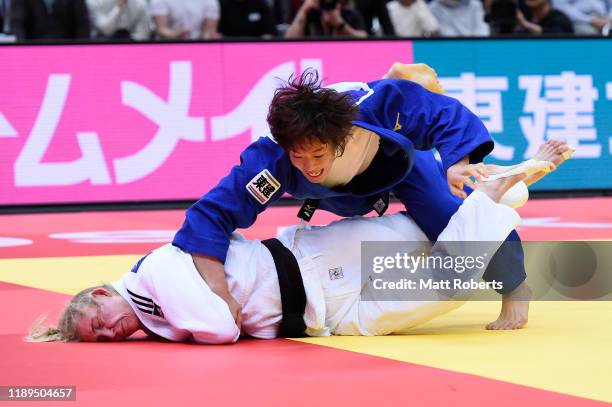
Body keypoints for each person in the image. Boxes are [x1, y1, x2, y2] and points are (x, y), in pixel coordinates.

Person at [171, 63, 574, 332]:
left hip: (398, 166)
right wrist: (218, 290)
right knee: (348, 215)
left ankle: (515, 289)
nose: (308, 163)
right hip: (334, 196)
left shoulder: (377, 105)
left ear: (339, 138)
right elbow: (210, 215)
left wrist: (456, 162)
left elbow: (446, 115)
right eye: (299, 154)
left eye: (318, 153)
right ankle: (502, 184)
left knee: (451, 223)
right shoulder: (270, 157)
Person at [27, 163, 556, 344]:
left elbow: (219, 328)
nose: (112, 334)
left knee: (428, 228)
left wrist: (220, 310)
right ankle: (504, 195)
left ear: (101, 292)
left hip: (318, 263)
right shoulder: (158, 314)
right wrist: (219, 311)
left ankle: (489, 187)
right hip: (326, 318)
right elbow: (218, 323)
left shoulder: (157, 272)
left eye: (100, 324)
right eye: (102, 340)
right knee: (454, 281)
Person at [11, 0, 90, 40]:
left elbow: (83, 26)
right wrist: (21, 48)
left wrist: (80, 50)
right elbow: (16, 24)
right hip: (32, 51)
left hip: (67, 50)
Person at [285, 0, 368, 38]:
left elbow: (364, 38)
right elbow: (289, 38)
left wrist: (341, 25)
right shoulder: (309, 14)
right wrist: (303, 10)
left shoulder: (351, 14)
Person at [150, 0, 220, 40]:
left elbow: (209, 31)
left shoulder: (211, 2)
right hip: (167, 45)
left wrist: (210, 37)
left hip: (199, 47)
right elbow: (161, 28)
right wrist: (174, 35)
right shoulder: (159, 1)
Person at [86, 0, 150, 40]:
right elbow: (106, 31)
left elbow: (142, 35)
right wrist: (119, 7)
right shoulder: (94, 1)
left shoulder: (141, 3)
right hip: (100, 45)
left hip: (131, 46)